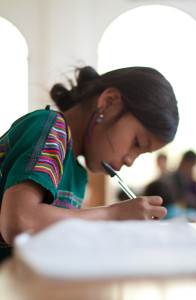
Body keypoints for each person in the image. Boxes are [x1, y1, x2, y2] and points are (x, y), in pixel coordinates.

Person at [0, 65, 179, 261]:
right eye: (136, 143)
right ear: (108, 102)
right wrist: (112, 215)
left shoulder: (77, 174)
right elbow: (19, 221)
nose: (129, 161)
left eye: (141, 154)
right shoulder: (51, 129)